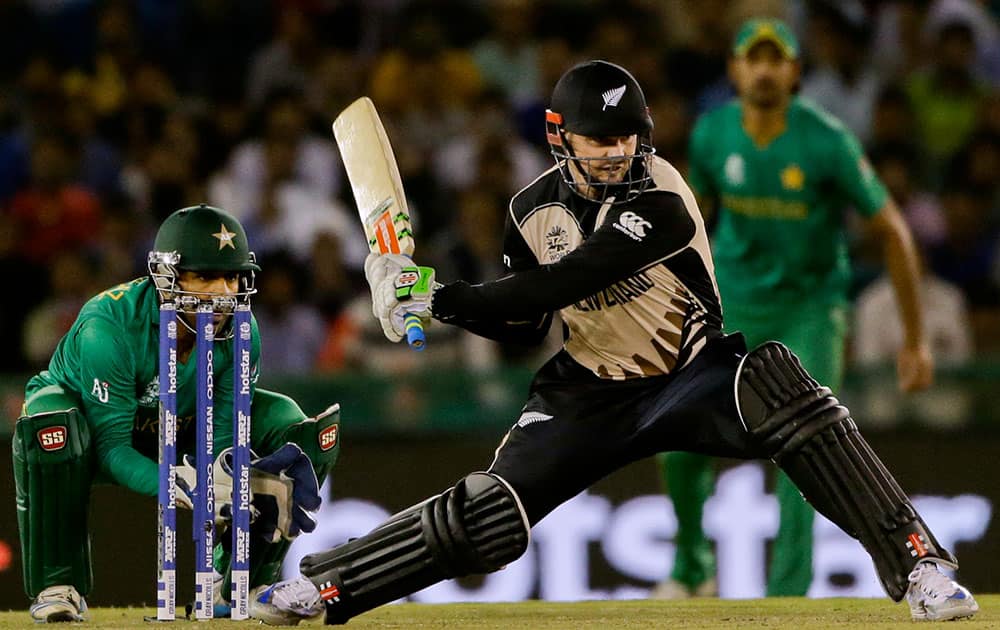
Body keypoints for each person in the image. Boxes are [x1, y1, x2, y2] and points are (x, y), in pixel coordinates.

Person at [290, 60, 975, 624]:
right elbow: (522, 325)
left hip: (691, 372)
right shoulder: (528, 212)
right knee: (489, 514)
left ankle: (919, 565)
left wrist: (437, 298)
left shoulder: (664, 197)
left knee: (778, 382)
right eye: (600, 139)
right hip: (588, 393)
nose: (619, 152)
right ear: (561, 138)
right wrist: (410, 292)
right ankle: (326, 587)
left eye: (629, 137)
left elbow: (570, 279)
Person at [653, 18, 936, 599]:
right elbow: (693, 224)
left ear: (795, 72)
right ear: (734, 71)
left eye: (775, 59)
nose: (762, 70)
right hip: (732, 302)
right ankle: (691, 568)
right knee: (676, 429)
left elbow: (894, 232)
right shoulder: (711, 135)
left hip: (810, 307)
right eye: (751, 59)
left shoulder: (826, 140)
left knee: (805, 448)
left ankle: (787, 596)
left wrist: (916, 340)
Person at [13, 204, 341, 624]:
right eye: (205, 276)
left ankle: (241, 584)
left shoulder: (241, 329)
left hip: (184, 426)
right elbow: (113, 448)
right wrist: (185, 485)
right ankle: (57, 585)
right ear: (166, 276)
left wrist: (228, 480)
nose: (224, 292)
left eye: (232, 276)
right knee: (51, 422)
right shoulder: (108, 324)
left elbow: (223, 435)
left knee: (292, 424)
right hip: (95, 431)